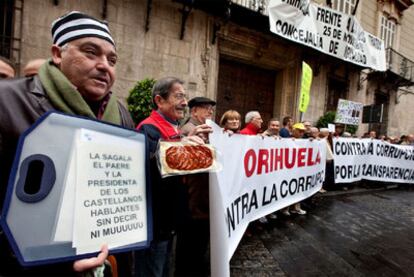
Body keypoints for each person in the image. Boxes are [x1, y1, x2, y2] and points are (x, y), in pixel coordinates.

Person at [0, 11, 134, 276]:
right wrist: (55, 262)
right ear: (58, 54)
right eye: (90, 52)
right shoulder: (7, 101)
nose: (104, 65)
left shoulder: (120, 113)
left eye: (112, 59)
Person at [135, 77, 210, 277]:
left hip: (171, 221)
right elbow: (153, 168)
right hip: (155, 222)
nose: (184, 102)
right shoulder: (148, 128)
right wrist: (183, 145)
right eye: (178, 96)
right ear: (159, 101)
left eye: (184, 97)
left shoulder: (175, 128)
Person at [176, 96, 215, 276]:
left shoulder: (207, 131)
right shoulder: (189, 130)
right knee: (191, 249)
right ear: (194, 111)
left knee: (198, 248)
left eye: (211, 109)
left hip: (201, 201)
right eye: (205, 108)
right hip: (193, 202)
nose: (210, 111)